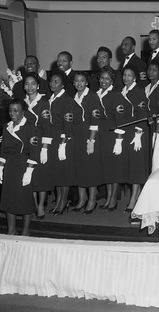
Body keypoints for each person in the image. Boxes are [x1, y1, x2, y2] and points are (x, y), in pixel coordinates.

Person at [0, 99, 38, 236]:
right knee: (8, 197)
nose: (12, 113)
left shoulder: (30, 127)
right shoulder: (7, 127)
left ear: (23, 112)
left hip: (24, 165)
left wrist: (29, 171)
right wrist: (0, 168)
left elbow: (35, 150)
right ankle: (11, 229)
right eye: (10, 110)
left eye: (16, 110)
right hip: (10, 166)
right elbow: (3, 150)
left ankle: (26, 230)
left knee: (25, 198)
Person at [42, 71, 76, 216]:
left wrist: (64, 140)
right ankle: (58, 201)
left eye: (56, 82)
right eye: (51, 81)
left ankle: (63, 202)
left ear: (62, 85)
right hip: (52, 138)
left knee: (64, 172)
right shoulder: (50, 98)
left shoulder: (66, 99)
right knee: (56, 172)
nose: (52, 84)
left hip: (62, 139)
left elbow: (68, 121)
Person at [120, 64, 150, 216]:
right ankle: (135, 195)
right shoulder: (122, 91)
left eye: (130, 75)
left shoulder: (138, 91)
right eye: (125, 75)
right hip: (126, 133)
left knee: (136, 167)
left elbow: (142, 113)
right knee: (130, 166)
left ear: (135, 77)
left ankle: (134, 198)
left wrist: (138, 134)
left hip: (137, 133)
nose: (126, 78)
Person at [71, 71, 103, 213]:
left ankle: (92, 200)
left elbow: (95, 120)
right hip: (77, 136)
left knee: (90, 169)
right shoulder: (73, 97)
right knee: (79, 168)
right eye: (76, 81)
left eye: (82, 80)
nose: (79, 83)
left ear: (87, 82)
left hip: (89, 135)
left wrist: (91, 140)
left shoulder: (92, 96)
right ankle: (82, 199)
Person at [96, 67, 127, 211]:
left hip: (112, 135)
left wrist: (119, 140)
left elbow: (121, 119)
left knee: (113, 168)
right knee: (105, 168)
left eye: (107, 79)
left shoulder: (116, 95)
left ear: (112, 81)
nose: (103, 81)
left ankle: (113, 198)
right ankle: (108, 196)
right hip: (100, 135)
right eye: (102, 78)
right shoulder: (95, 95)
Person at [23, 72, 52, 220]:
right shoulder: (22, 102)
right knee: (30, 175)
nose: (30, 87)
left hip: (41, 142)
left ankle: (41, 205)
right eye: (27, 84)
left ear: (38, 85)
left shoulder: (43, 102)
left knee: (41, 176)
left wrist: (45, 148)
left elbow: (47, 126)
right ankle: (33, 204)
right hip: (27, 142)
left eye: (33, 84)